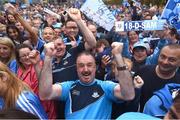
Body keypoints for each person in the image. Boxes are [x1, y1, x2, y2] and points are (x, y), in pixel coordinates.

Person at [34, 41, 135, 119]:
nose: (85, 69)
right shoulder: (69, 87)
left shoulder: (106, 86)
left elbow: (129, 94)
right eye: (81, 66)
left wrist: (117, 56)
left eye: (89, 65)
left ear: (95, 67)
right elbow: (45, 94)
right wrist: (48, 58)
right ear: (76, 69)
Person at [135, 44, 180, 112]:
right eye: (162, 57)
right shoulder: (143, 71)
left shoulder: (178, 83)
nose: (165, 62)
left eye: (171, 60)